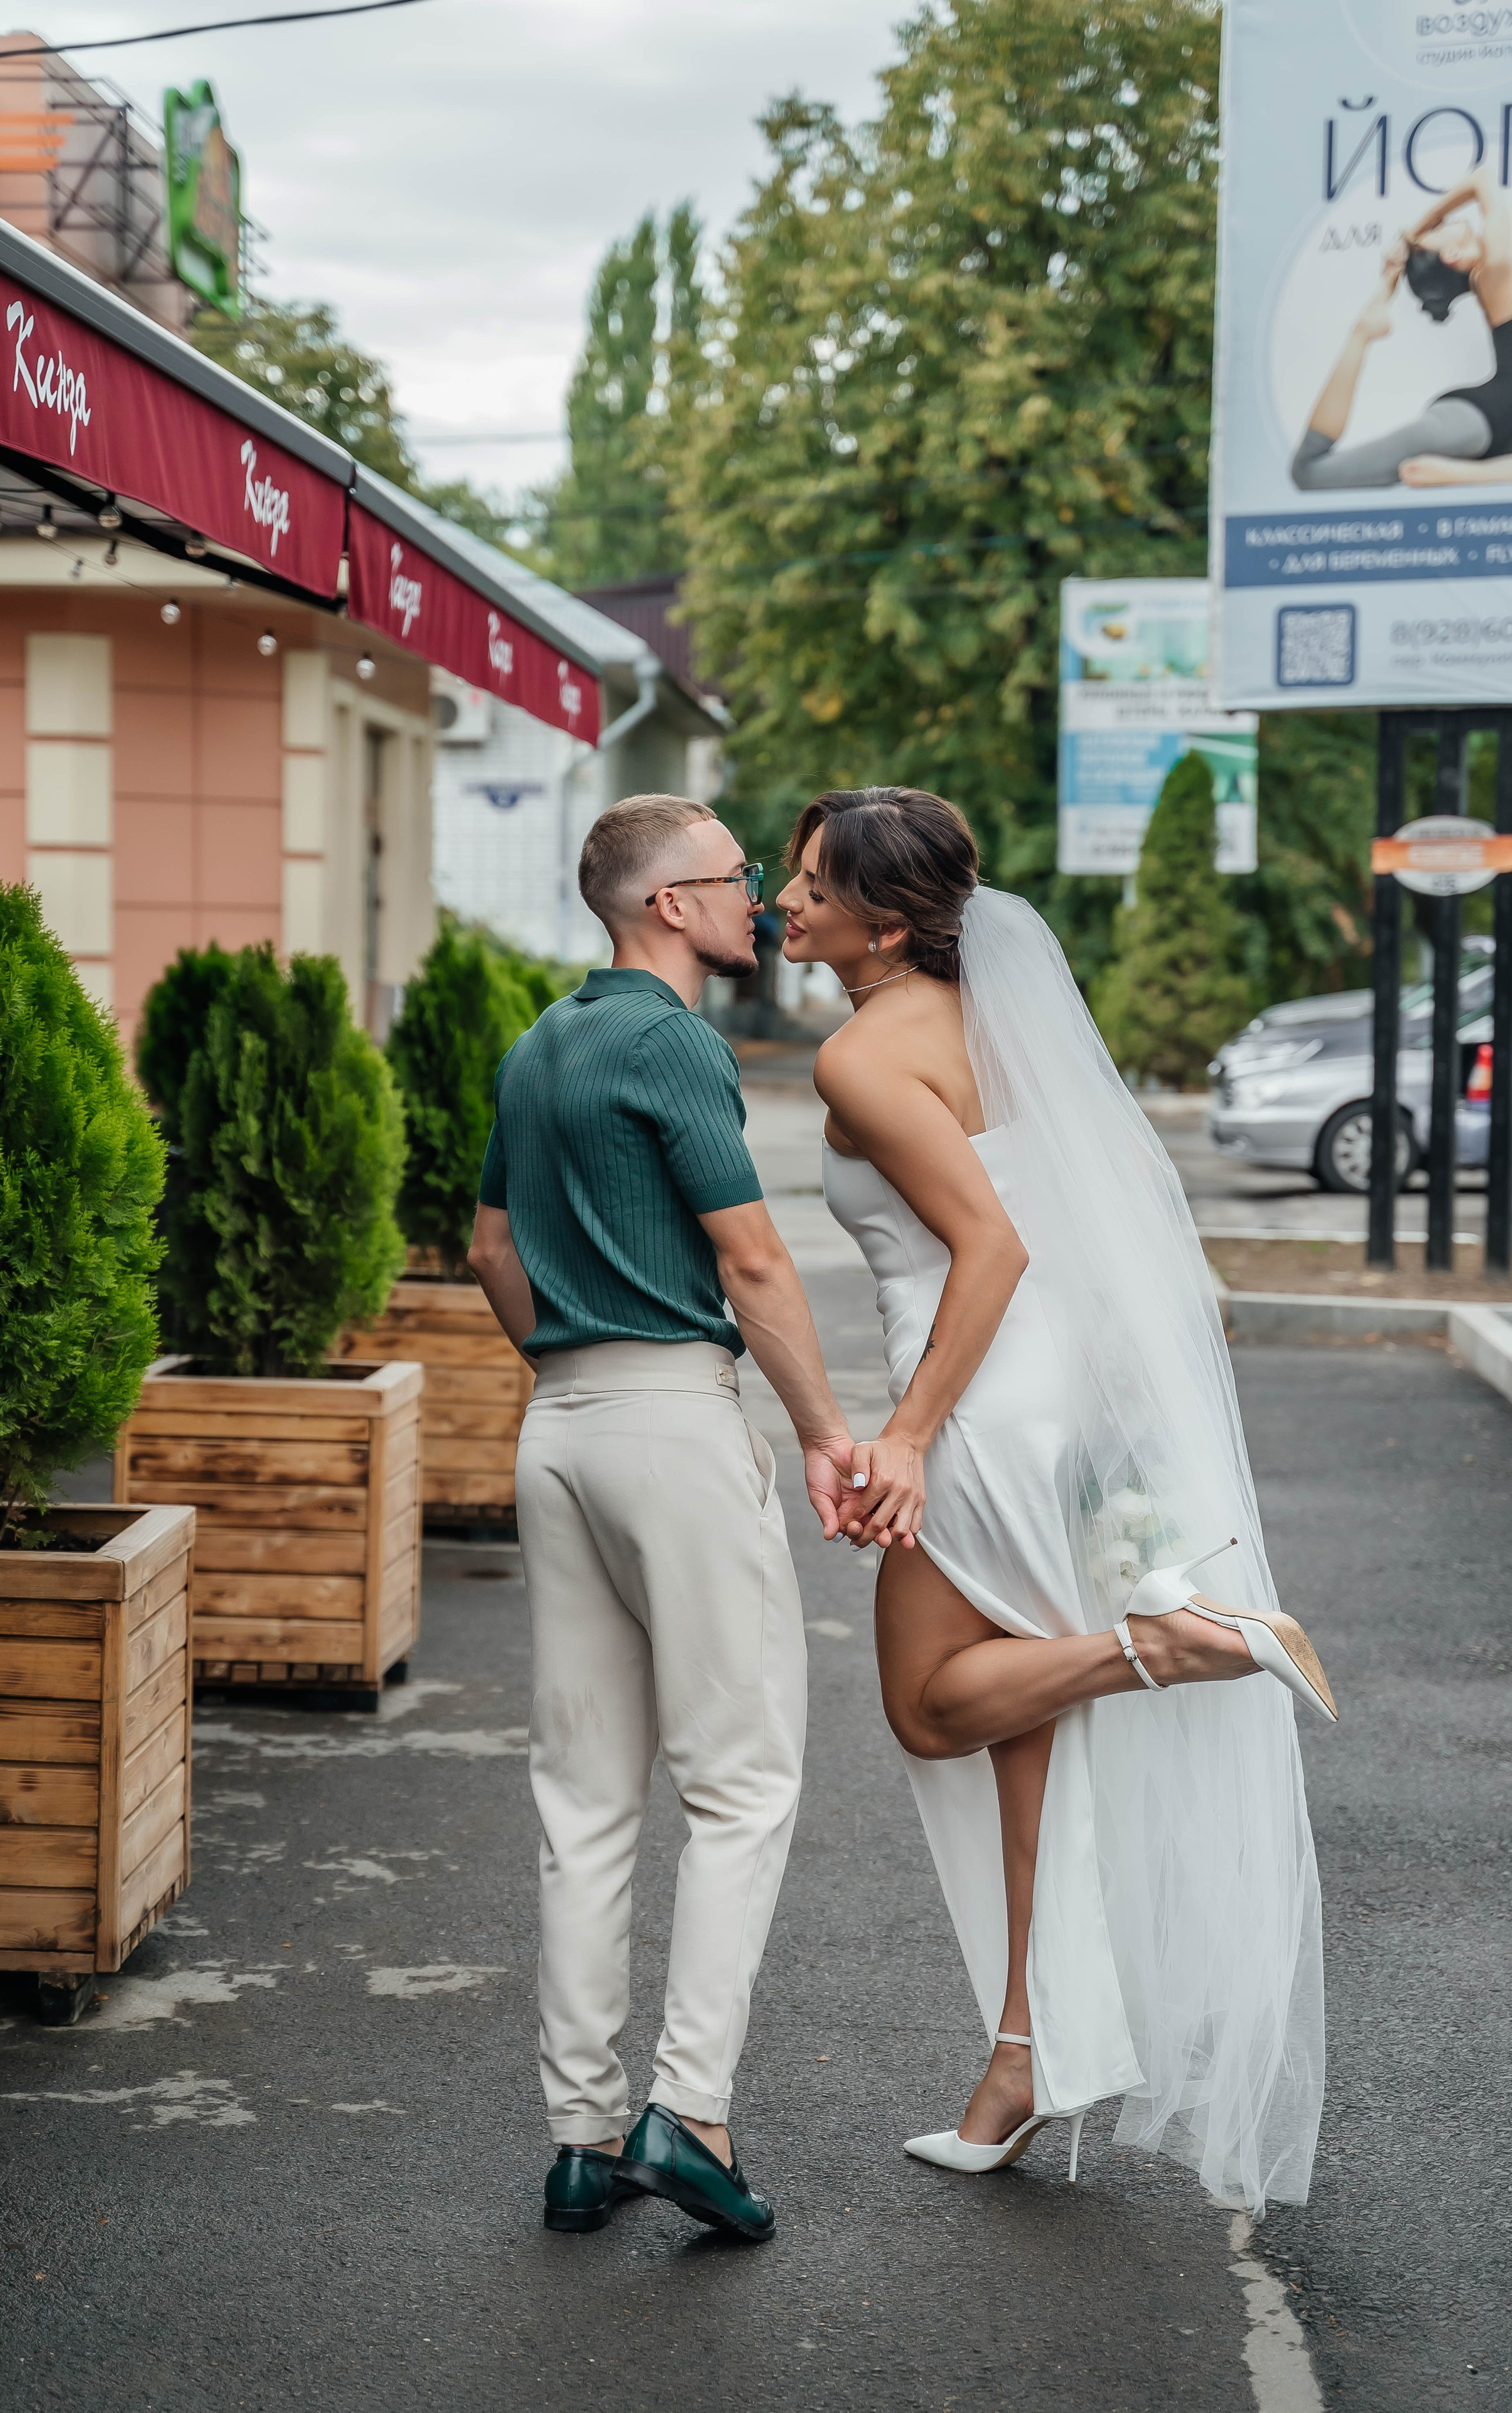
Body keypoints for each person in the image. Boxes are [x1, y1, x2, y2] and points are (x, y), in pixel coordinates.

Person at [776, 787, 1329, 2215]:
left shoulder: (856, 1057)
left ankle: (1186, 1640)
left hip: (974, 1412)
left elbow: (991, 1247)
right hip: (1045, 1403)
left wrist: (903, 1437)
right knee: (1019, 1734)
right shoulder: (992, 1025)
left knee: (925, 1703)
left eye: (808, 884)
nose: (785, 901)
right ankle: (1020, 2059)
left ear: (883, 923)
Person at [468, 793, 852, 2244]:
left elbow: (491, 1242)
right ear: (665, 907)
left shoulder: (537, 1041)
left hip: (555, 1421)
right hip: (668, 1423)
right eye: (737, 879)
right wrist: (822, 1434)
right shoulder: (672, 1039)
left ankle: (579, 2139)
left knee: (582, 1800)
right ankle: (687, 2115)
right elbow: (750, 1259)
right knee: (740, 1784)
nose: (757, 899)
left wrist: (567, 1368)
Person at [1291, 166, 1512, 491]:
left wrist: (1411, 239)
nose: (1442, 223)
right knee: (1309, 471)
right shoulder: (1495, 270)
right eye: (1436, 230)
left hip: (1486, 422)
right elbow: (1482, 179)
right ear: (1451, 255)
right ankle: (1362, 332)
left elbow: (1479, 180)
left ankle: (1470, 472)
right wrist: (1410, 239)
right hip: (1485, 416)